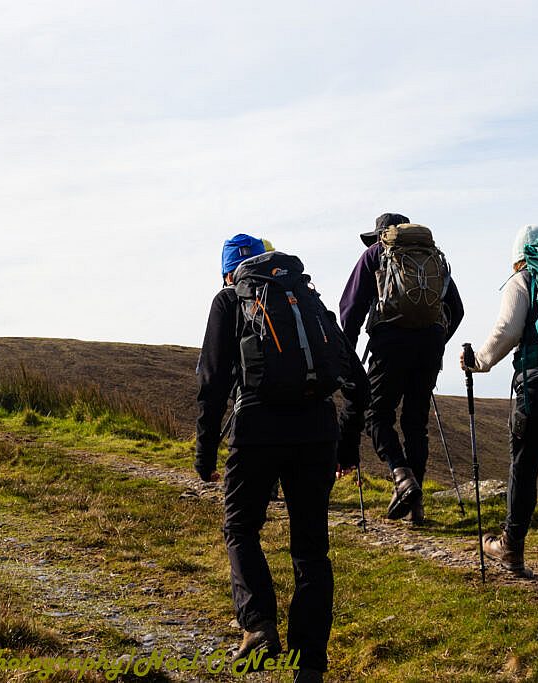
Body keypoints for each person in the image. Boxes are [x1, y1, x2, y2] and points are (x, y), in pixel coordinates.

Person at [196, 234, 368, 681]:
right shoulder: (305, 298)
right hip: (316, 430)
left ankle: (258, 628)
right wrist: (346, 449)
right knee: (312, 550)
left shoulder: (228, 300)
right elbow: (357, 381)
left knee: (240, 527)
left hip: (256, 431)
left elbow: (213, 382)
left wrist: (205, 453)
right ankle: (309, 663)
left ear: (228, 271)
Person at [461, 225, 538, 588]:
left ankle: (511, 549)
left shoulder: (525, 276)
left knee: (524, 467)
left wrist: (478, 362)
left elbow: (507, 330)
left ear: (519, 256)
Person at [340, 212, 464, 523]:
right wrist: (436, 340)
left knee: (376, 414)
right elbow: (457, 309)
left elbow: (350, 310)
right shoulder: (432, 258)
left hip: (390, 343)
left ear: (383, 233)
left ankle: (401, 476)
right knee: (415, 423)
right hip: (430, 343)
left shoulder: (374, 255)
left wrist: (348, 356)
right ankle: (415, 507)